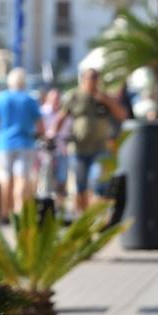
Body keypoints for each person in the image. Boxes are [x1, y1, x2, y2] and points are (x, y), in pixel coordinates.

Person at [49, 68, 126, 217]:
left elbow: (122, 115)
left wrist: (106, 101)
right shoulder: (75, 96)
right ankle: (82, 216)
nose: (94, 81)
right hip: (79, 149)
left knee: (97, 181)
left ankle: (97, 216)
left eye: (96, 78)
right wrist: (53, 132)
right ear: (84, 79)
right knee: (80, 186)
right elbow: (61, 117)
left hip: (100, 148)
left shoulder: (104, 97)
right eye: (91, 78)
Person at [0, 68, 44, 219]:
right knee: (22, 178)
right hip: (25, 143)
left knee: (6, 178)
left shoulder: (0, 98)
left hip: (4, 143)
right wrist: (38, 136)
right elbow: (40, 126)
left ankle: (5, 212)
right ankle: (18, 211)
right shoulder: (30, 100)